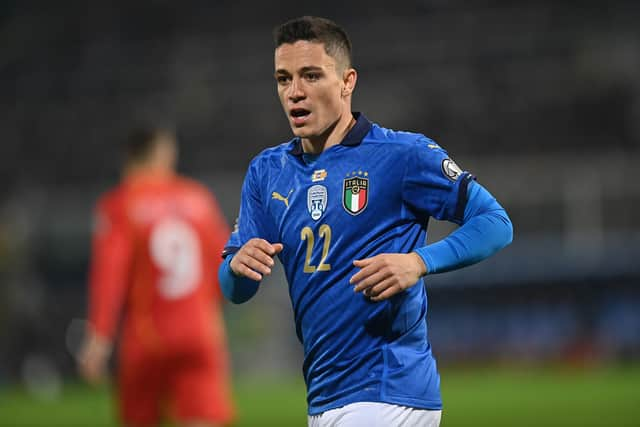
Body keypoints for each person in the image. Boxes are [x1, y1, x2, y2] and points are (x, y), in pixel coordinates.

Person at [219, 16, 513, 427]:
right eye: (283, 79)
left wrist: (418, 262)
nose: (295, 93)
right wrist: (236, 266)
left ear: (347, 81)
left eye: (311, 75)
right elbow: (235, 290)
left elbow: (495, 222)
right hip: (326, 395)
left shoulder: (401, 155)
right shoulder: (267, 172)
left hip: (389, 391)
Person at [78, 128, 235, 427]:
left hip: (147, 337)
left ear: (128, 158)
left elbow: (110, 276)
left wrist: (99, 338)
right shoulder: (197, 199)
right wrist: (211, 312)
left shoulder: (120, 205)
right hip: (198, 333)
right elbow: (225, 264)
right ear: (164, 153)